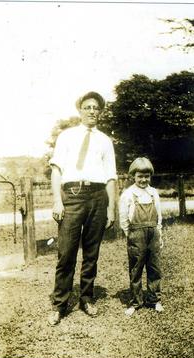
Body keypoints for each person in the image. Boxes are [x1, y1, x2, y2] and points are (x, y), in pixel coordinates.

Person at [48, 91, 117, 325]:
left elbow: (110, 178)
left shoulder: (105, 140)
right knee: (66, 252)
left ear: (100, 112)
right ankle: (59, 304)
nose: (92, 111)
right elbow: (56, 170)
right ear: (80, 110)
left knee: (91, 253)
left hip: (98, 197)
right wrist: (57, 200)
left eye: (96, 108)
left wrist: (111, 209)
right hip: (73, 196)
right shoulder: (66, 136)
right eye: (87, 107)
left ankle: (87, 298)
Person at [119, 157, 164, 316]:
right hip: (136, 235)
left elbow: (159, 216)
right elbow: (124, 218)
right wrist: (130, 235)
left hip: (153, 234)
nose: (144, 180)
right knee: (136, 268)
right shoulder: (128, 194)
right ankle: (136, 302)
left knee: (154, 268)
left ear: (150, 176)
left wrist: (159, 234)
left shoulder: (153, 193)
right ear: (133, 176)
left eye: (147, 176)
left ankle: (154, 299)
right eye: (140, 176)